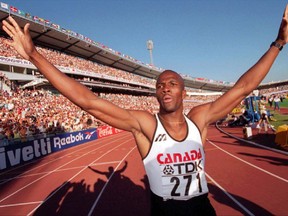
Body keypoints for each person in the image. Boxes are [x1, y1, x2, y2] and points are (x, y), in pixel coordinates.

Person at [2, 5, 288, 215]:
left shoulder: (199, 119)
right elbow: (89, 101)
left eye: (173, 83)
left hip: (202, 209)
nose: (165, 87)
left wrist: (278, 43)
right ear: (156, 93)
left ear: (183, 91)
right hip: (164, 211)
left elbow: (243, 88)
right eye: (160, 85)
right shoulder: (146, 126)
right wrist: (35, 55)